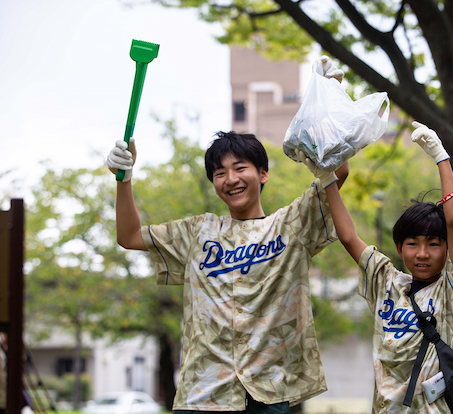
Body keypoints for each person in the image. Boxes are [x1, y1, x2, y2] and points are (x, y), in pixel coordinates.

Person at [105, 57, 348, 414]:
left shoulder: (292, 224)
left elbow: (337, 171)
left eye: (240, 168)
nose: (230, 178)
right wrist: (123, 179)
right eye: (219, 173)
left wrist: (333, 95)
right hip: (204, 394)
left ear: (262, 174)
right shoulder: (198, 232)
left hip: (269, 390)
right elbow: (128, 236)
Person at [298, 121, 453, 413]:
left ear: (447, 249)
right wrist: (327, 180)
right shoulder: (386, 281)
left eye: (434, 244)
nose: (422, 253)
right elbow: (347, 236)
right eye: (412, 243)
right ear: (399, 248)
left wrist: (440, 157)